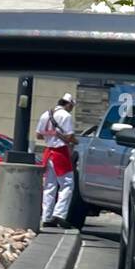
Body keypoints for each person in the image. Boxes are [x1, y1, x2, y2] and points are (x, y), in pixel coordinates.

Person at [37, 91, 77, 228]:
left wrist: (52, 135)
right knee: (67, 184)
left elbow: (39, 135)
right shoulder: (66, 116)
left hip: (48, 152)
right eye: (72, 106)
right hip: (60, 153)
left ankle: (46, 217)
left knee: (49, 186)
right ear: (69, 104)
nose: (72, 109)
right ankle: (59, 214)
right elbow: (70, 137)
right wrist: (73, 140)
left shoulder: (45, 115)